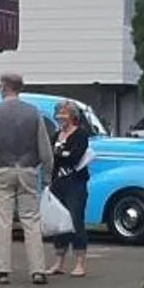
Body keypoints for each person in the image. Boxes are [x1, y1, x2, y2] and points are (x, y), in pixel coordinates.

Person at [0, 75, 56, 286]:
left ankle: (2, 270)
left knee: (3, 221)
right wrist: (46, 173)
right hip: (28, 169)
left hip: (1, 169)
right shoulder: (34, 113)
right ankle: (38, 270)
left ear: (4, 88)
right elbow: (45, 148)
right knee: (31, 220)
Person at [44, 99, 93, 277]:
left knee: (75, 220)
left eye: (64, 113)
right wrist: (60, 156)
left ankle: (80, 262)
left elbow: (74, 157)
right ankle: (59, 262)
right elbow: (49, 157)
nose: (60, 117)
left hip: (75, 183)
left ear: (72, 115)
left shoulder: (81, 135)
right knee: (59, 222)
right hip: (58, 183)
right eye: (58, 114)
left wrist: (59, 155)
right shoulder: (55, 135)